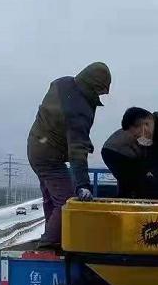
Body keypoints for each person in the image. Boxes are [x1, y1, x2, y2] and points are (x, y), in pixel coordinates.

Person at [26, 62, 112, 247]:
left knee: (51, 197)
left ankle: (54, 239)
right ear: (93, 87)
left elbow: (61, 123)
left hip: (36, 146)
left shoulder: (62, 83)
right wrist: (83, 184)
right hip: (49, 156)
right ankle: (49, 243)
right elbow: (77, 151)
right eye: (99, 92)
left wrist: (77, 137)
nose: (99, 96)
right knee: (66, 201)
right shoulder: (78, 110)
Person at [101, 127, 158, 199]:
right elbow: (148, 157)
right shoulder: (154, 133)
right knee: (139, 182)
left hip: (107, 150)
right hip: (123, 153)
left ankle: (124, 197)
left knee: (125, 180)